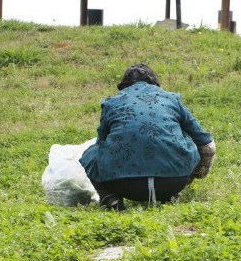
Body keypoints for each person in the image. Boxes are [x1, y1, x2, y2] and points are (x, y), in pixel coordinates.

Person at [80, 61, 215, 211]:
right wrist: (196, 174)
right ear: (155, 84)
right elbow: (207, 144)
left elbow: (101, 143)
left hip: (124, 185)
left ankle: (110, 198)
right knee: (187, 138)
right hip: (173, 182)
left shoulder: (111, 103)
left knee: (90, 153)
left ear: (124, 87)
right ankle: (169, 194)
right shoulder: (171, 99)